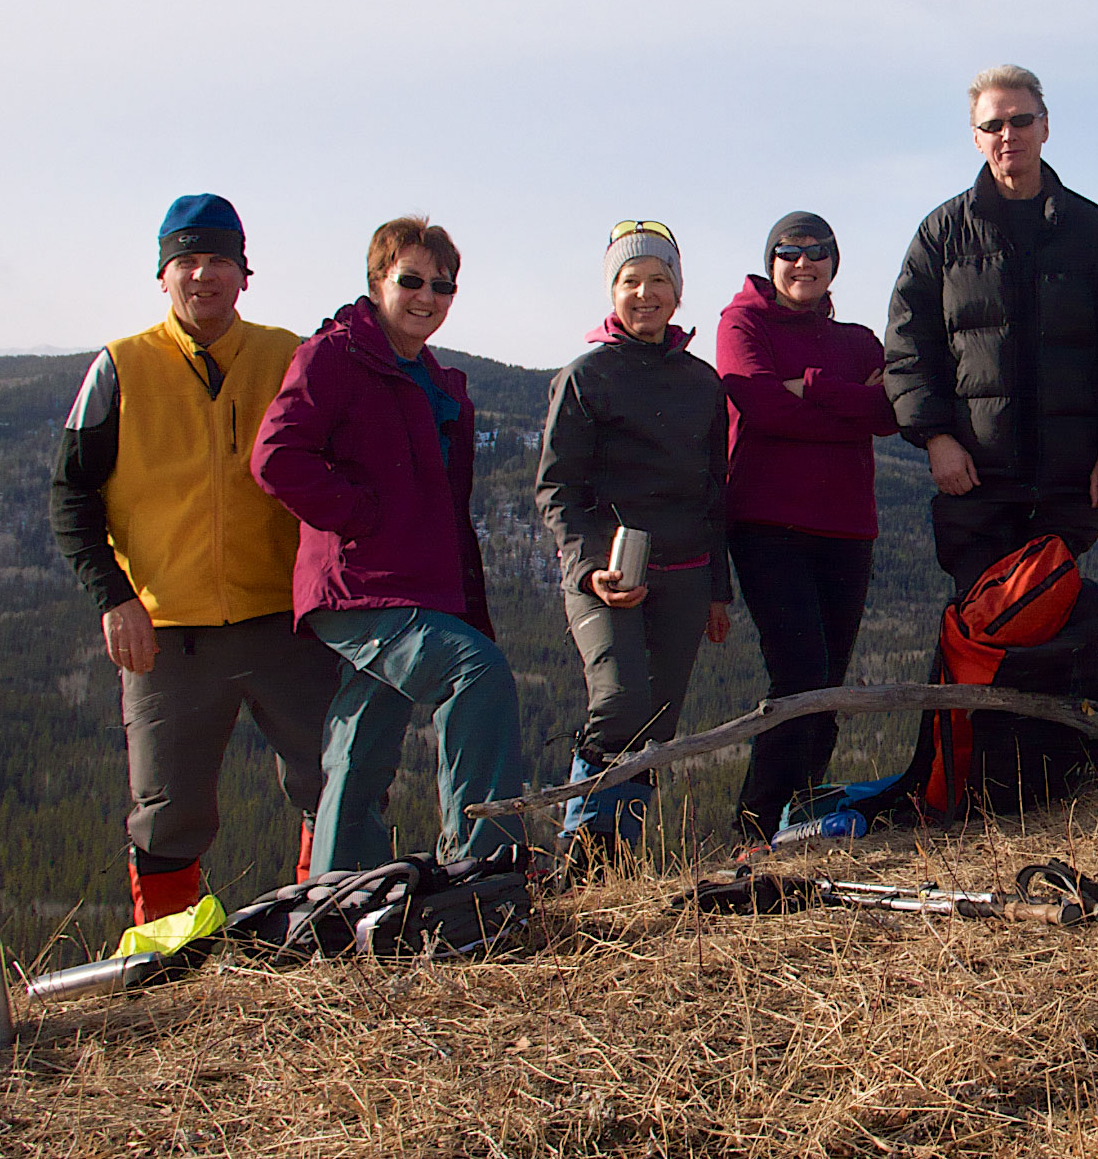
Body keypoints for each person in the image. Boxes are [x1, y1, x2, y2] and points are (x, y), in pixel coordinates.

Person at [49, 194, 340, 924]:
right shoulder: (120, 367)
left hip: (285, 621)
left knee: (334, 781)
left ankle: (326, 927)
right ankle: (174, 960)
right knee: (167, 811)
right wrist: (114, 598)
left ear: (245, 273)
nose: (203, 274)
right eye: (187, 260)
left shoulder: (290, 357)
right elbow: (70, 494)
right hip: (165, 631)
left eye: (218, 260)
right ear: (163, 274)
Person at [252, 217, 527, 873]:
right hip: (358, 588)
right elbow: (275, 457)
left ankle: (339, 887)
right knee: (477, 671)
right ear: (378, 281)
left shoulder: (432, 379)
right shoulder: (333, 356)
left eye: (442, 285)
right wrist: (359, 516)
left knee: (364, 739)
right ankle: (484, 866)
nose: (427, 296)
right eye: (411, 280)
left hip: (416, 587)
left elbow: (444, 508)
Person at [885, 64, 1098, 592]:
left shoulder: (1095, 233)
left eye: (1021, 120)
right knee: (981, 621)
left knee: (1055, 618)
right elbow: (908, 347)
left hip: (1069, 481)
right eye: (993, 125)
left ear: (1045, 127)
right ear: (976, 137)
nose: (1008, 134)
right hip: (975, 480)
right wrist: (935, 438)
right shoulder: (941, 235)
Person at [533, 221, 733, 872]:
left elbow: (714, 493)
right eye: (630, 281)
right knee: (620, 704)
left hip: (686, 571)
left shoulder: (703, 384)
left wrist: (718, 591)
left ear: (677, 292)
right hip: (606, 572)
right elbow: (557, 488)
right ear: (611, 292)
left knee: (658, 724)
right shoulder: (585, 377)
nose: (644, 293)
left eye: (657, 280)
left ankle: (616, 862)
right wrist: (589, 567)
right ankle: (581, 858)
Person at [717, 212, 897, 843]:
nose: (803, 262)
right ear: (770, 261)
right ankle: (755, 828)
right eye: (789, 251)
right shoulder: (742, 324)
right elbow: (761, 406)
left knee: (828, 682)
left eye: (818, 252)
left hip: (847, 529)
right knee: (800, 674)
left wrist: (812, 386)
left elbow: (890, 412)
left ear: (833, 264)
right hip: (768, 524)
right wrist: (847, 407)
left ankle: (800, 821)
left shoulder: (859, 340)